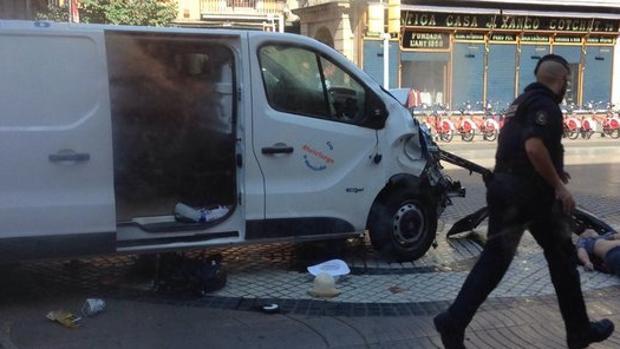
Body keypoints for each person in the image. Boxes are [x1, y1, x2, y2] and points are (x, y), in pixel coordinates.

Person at [433, 54, 615, 349]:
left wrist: (555, 169)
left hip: (505, 189)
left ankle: (453, 321)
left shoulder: (521, 102)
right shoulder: (546, 106)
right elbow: (533, 147)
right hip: (531, 196)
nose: (567, 87)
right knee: (563, 259)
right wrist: (558, 186)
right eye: (567, 81)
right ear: (562, 80)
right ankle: (579, 331)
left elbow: (518, 146)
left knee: (495, 261)